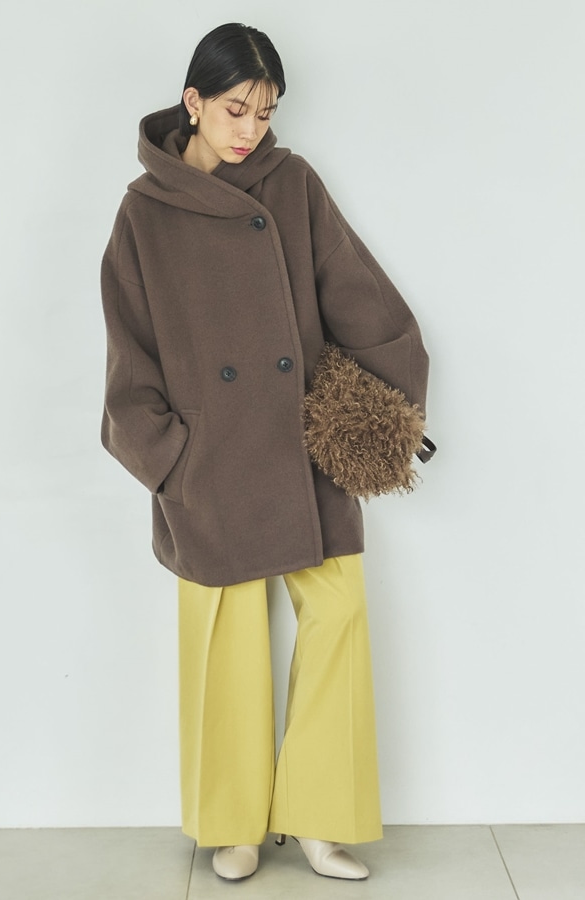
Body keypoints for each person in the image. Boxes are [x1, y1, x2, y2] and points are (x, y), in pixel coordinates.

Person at [100, 22, 430, 882]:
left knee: (337, 618)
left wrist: (391, 403)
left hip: (302, 444)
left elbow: (354, 291)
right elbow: (129, 356)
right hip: (211, 463)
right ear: (193, 101)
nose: (252, 128)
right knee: (227, 638)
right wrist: (171, 461)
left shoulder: (293, 185)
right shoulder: (144, 212)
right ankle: (234, 825)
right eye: (236, 108)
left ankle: (320, 820)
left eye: (267, 111)